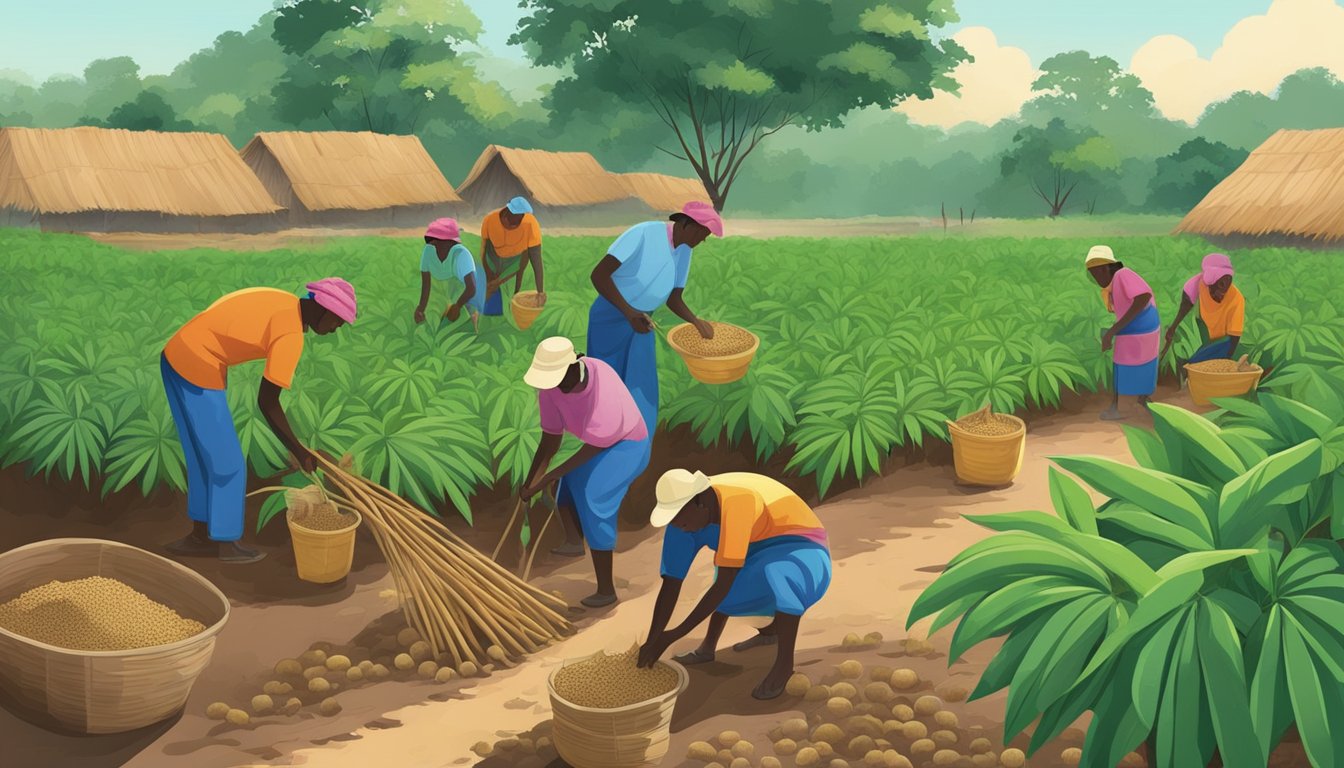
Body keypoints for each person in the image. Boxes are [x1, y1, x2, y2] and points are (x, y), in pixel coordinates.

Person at [161, 279, 356, 563]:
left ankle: (200, 537)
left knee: (202, 457)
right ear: (322, 309)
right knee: (228, 464)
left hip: (175, 354)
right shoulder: (290, 335)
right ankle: (226, 543)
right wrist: (300, 451)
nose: (336, 329)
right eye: (338, 321)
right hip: (198, 364)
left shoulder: (284, 302)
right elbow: (267, 402)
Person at [637, 469, 831, 701]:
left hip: (803, 549)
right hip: (755, 550)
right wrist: (654, 638)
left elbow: (724, 582)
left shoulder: (737, 501)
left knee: (777, 573)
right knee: (728, 592)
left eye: (678, 518)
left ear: (699, 502)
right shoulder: (682, 523)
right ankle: (709, 648)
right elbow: (671, 583)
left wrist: (673, 635)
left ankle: (784, 665)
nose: (678, 525)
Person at [519, 336, 652, 608]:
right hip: (598, 444)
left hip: (628, 443)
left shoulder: (602, 378)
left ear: (574, 364)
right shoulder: (549, 391)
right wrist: (531, 481)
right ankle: (573, 541)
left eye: (558, 377)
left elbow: (595, 445)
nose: (555, 385)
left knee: (594, 496)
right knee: (565, 482)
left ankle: (606, 589)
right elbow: (550, 441)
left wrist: (550, 475)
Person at [588, 201, 723, 431]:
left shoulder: (684, 252)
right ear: (685, 224)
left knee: (641, 385)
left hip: (641, 321)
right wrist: (629, 312)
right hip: (610, 317)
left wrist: (696, 321)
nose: (703, 240)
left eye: (706, 235)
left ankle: (639, 438)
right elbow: (599, 275)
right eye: (702, 232)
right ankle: (603, 436)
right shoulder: (643, 234)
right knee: (607, 383)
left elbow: (674, 297)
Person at [1086, 245, 1160, 420]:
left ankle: (1117, 407)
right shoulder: (1112, 287)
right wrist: (1112, 331)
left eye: (1098, 271)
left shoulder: (1122, 275)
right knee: (1141, 362)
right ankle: (1141, 399)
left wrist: (1112, 332)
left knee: (1121, 364)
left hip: (1142, 325)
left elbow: (1143, 297)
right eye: (1093, 273)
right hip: (1139, 326)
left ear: (1107, 268)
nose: (1097, 277)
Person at [1160, 253, 1245, 366]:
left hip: (1225, 338)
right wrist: (1173, 328)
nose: (1220, 294)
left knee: (1220, 347)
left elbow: (1234, 338)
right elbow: (1186, 304)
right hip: (1205, 329)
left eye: (1225, 285)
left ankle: (1189, 364)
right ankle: (1188, 365)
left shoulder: (1237, 299)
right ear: (1209, 284)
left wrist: (1226, 362)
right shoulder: (1198, 283)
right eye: (1216, 289)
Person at [413, 218, 486, 331]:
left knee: (464, 327)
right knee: (435, 326)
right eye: (433, 240)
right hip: (442, 293)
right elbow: (426, 284)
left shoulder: (462, 255)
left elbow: (471, 288)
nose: (434, 243)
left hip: (465, 295)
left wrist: (457, 306)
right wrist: (421, 308)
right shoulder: (428, 252)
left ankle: (473, 320)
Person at [480, 196, 544, 317]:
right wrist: (488, 273)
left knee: (503, 288)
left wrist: (540, 291)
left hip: (516, 261)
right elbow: (484, 249)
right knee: (490, 291)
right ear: (507, 212)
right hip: (494, 258)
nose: (519, 220)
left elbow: (536, 258)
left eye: (521, 217)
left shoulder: (530, 223)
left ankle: (513, 302)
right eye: (516, 217)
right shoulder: (490, 220)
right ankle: (488, 312)